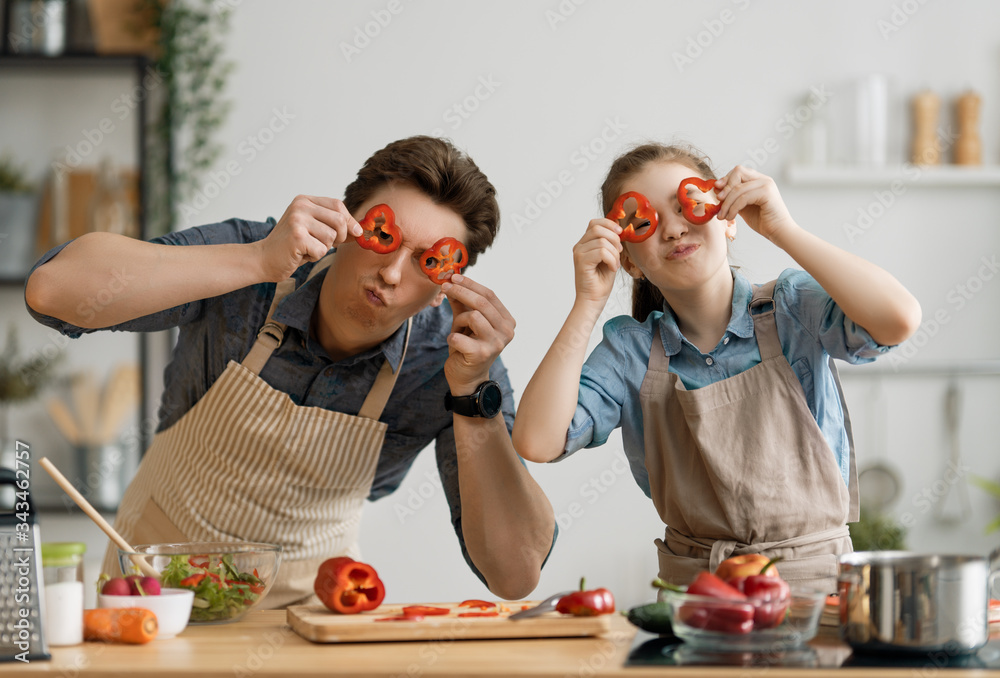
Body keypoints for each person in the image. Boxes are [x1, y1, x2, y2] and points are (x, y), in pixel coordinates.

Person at [26, 135, 556, 606]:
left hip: (310, 619)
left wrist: (472, 398)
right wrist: (257, 261)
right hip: (149, 595)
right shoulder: (259, 254)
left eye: (429, 260)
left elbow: (513, 575)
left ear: (449, 283)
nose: (393, 273)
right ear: (346, 224)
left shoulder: (457, 361)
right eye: (383, 235)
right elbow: (52, 292)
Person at [512, 143, 921, 591]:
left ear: (727, 219)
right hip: (697, 601)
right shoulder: (630, 353)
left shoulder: (791, 308)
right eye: (645, 221)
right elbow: (537, 440)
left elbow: (898, 319)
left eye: (689, 202)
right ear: (630, 261)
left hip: (817, 590)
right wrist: (587, 301)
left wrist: (783, 229)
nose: (673, 229)